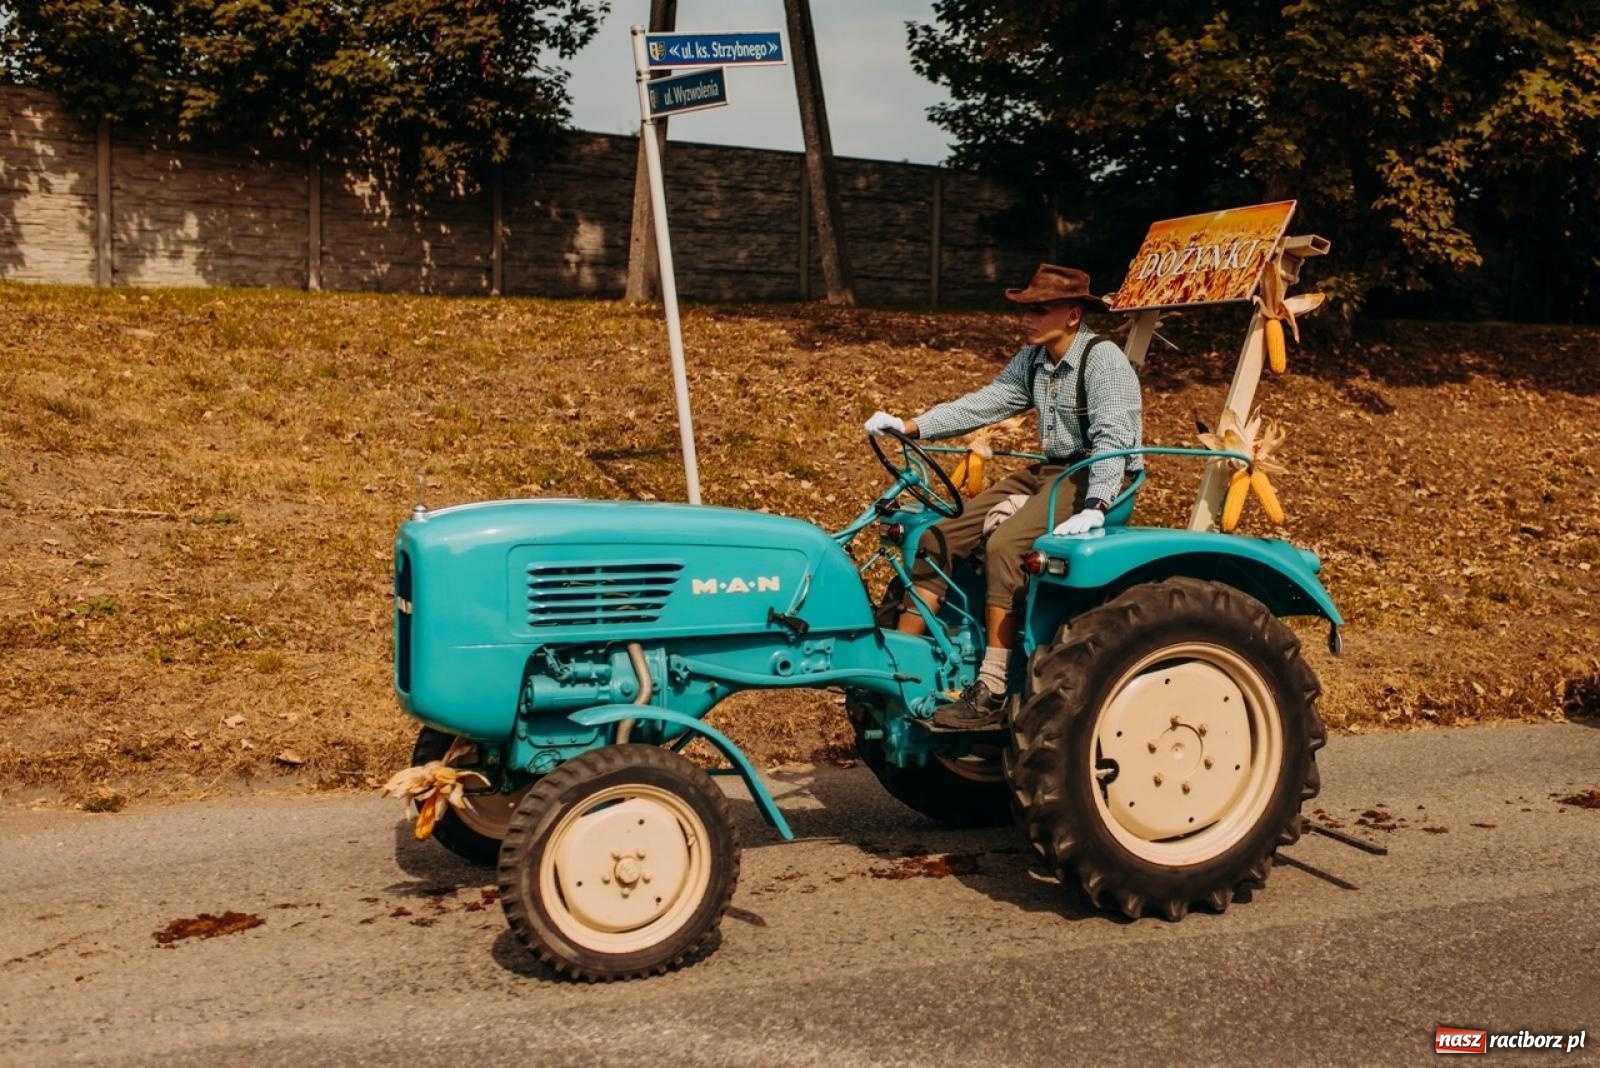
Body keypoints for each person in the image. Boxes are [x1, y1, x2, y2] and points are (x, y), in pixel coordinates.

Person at [864, 263, 1143, 729]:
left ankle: (992, 686)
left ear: (1072, 315)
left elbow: (1114, 438)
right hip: (1054, 470)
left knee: (1007, 544)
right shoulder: (1034, 360)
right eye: (1026, 309)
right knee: (939, 537)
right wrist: (910, 425)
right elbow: (987, 401)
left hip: (1097, 473)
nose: (1028, 319)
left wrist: (1097, 505)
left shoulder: (1103, 360)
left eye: (1040, 309)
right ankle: (897, 671)